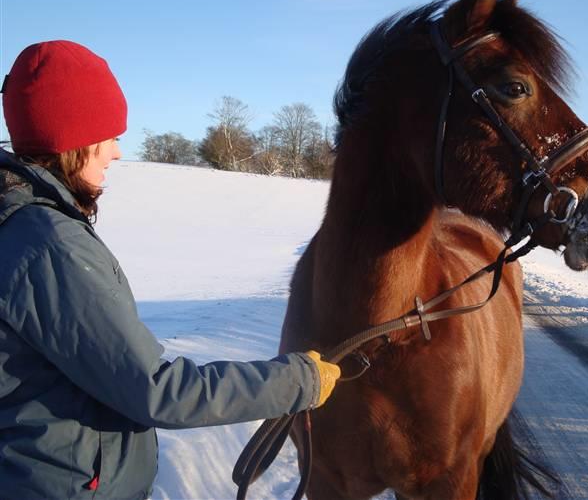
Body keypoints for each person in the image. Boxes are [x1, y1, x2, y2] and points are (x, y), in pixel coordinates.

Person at [0, 40, 341, 500]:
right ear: (73, 141)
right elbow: (159, 391)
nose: (117, 153)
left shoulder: (24, 225)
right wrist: (297, 381)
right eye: (109, 136)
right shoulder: (48, 245)